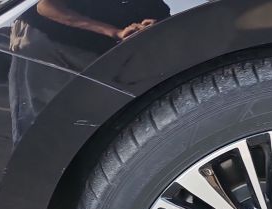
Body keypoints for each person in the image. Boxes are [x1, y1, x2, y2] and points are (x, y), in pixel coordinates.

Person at [9, 0, 171, 143]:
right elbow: (46, 6)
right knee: (47, 126)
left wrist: (153, 25)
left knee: (102, 122)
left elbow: (160, 14)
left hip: (99, 46)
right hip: (48, 38)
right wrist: (114, 32)